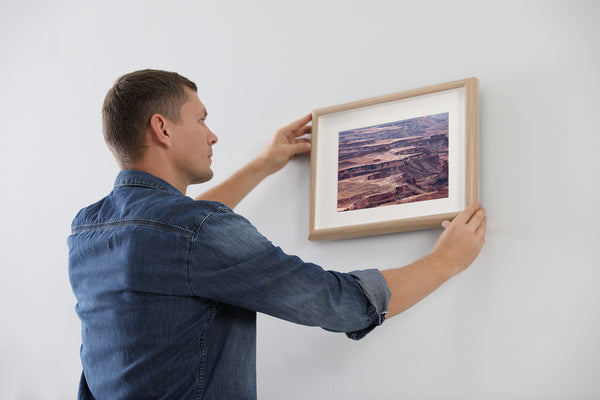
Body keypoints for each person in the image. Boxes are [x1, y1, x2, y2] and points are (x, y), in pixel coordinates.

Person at [68, 69, 486, 400]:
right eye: (201, 119)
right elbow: (337, 303)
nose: (212, 134)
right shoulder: (192, 232)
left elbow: (177, 232)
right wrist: (444, 262)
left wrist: (264, 164)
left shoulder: (88, 229)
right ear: (162, 128)